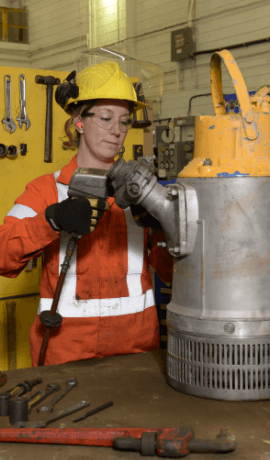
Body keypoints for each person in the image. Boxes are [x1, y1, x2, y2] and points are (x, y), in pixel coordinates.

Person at [0, 61, 173, 366]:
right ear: (79, 122)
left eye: (124, 121)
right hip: (66, 350)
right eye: (106, 118)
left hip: (136, 353)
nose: (116, 131)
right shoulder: (46, 191)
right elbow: (3, 254)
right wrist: (51, 220)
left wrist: (163, 230)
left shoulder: (143, 194)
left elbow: (175, 276)